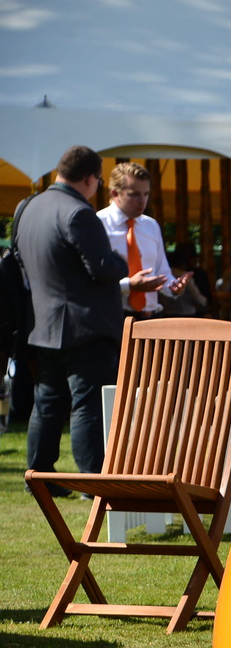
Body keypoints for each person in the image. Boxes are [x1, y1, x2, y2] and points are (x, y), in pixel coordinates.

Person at [15, 146, 130, 484]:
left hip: (42, 325)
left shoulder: (27, 208)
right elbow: (103, 266)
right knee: (88, 405)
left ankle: (39, 475)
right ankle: (91, 480)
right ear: (90, 178)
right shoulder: (79, 213)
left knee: (47, 403)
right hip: (84, 326)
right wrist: (121, 261)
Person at [96, 162, 189, 318]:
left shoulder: (150, 225)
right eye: (134, 194)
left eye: (146, 194)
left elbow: (163, 271)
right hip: (112, 317)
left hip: (150, 317)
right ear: (114, 193)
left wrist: (174, 287)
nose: (142, 201)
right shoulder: (98, 224)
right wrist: (129, 285)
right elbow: (92, 281)